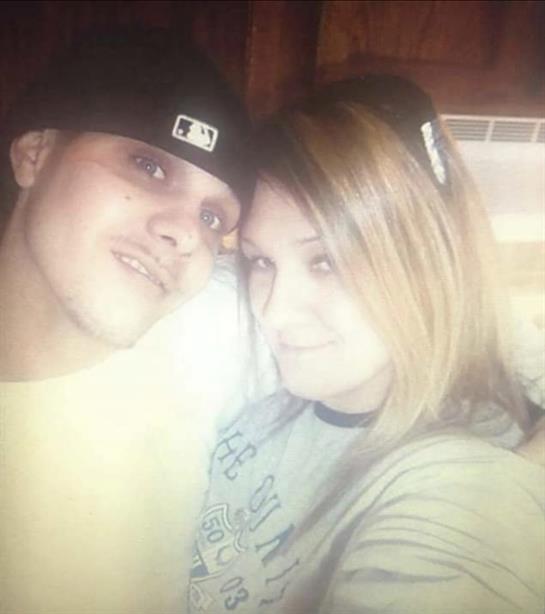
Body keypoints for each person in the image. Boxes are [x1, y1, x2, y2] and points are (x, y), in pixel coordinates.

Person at [188, 75, 545, 613]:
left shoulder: (463, 487)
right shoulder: (266, 399)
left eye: (326, 261)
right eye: (261, 260)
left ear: (429, 264)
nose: (274, 311)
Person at [0, 29, 257, 614]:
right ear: (35, 154)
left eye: (213, 217)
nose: (186, 233)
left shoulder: (221, 326)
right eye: (149, 166)